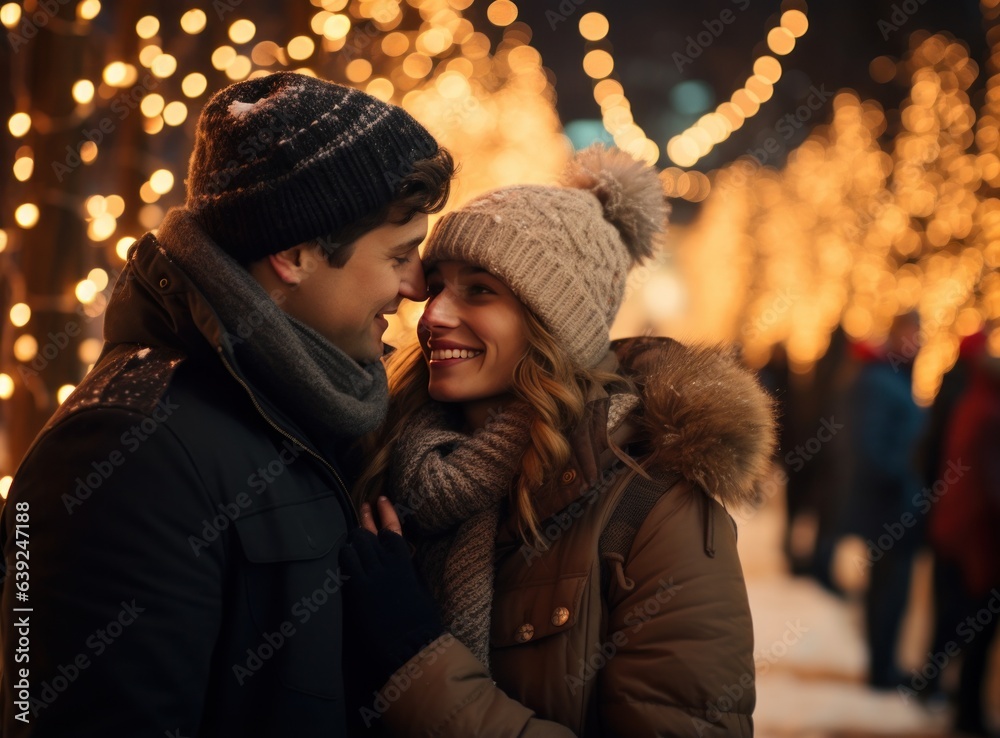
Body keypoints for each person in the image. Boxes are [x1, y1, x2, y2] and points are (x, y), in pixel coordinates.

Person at [0, 72, 453, 736]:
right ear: (294, 254)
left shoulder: (302, 403)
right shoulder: (128, 449)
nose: (416, 286)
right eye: (400, 255)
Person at [347, 146, 777, 736]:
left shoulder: (655, 508)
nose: (433, 314)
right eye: (438, 284)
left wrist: (417, 662)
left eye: (479, 291)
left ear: (555, 323)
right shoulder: (378, 449)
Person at [839, 312, 928, 689]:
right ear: (897, 334)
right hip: (890, 507)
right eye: (913, 332)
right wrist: (903, 478)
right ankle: (881, 669)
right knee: (888, 589)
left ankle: (884, 664)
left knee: (891, 589)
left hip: (896, 504)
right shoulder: (878, 380)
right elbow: (870, 446)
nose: (919, 340)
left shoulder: (894, 377)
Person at [928, 338, 1000, 735]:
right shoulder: (988, 413)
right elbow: (989, 488)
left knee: (954, 617)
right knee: (976, 629)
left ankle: (948, 695)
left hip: (956, 529)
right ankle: (968, 712)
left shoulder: (971, 402)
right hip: (978, 540)